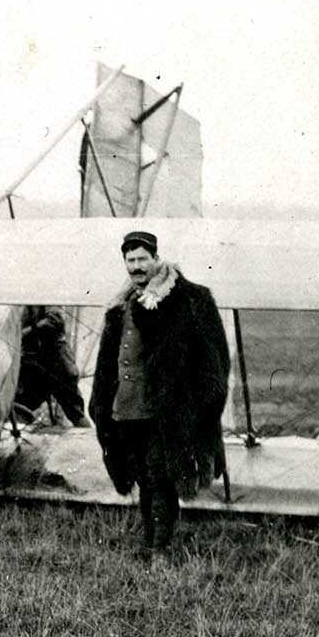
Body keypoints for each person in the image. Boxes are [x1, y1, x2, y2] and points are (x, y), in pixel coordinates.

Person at [88, 230, 230, 554]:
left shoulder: (188, 300)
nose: (136, 266)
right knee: (142, 476)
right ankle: (151, 540)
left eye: (142, 259)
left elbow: (214, 361)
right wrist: (100, 404)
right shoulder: (119, 307)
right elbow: (108, 363)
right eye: (130, 259)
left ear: (156, 258)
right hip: (126, 409)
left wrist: (198, 407)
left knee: (159, 476)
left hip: (164, 412)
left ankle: (159, 548)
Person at [16, 305, 89, 428]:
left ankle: (91, 442)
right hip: (36, 367)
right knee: (20, 406)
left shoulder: (47, 298)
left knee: (75, 413)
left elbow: (54, 320)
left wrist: (25, 332)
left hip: (58, 364)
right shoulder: (22, 306)